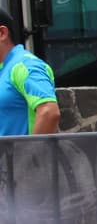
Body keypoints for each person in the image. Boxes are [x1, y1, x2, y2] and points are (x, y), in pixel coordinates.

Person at [0, 8, 59, 136]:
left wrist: (29, 155)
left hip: (20, 156)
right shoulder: (5, 68)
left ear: (2, 33)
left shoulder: (26, 65)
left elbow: (48, 112)